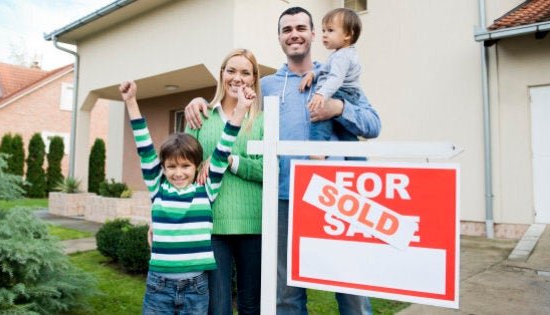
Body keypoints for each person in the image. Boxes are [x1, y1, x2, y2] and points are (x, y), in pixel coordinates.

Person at [185, 7, 381, 315]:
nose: (294, 34)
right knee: (285, 297)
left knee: (352, 290)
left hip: (334, 198)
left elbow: (373, 124)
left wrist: (338, 108)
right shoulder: (268, 87)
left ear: (314, 34)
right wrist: (198, 102)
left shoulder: (337, 76)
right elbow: (231, 99)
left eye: (301, 27)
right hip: (281, 201)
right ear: (279, 38)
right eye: (287, 29)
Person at [119, 78, 256, 314]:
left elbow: (224, 146)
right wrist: (131, 101)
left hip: (196, 288)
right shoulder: (158, 188)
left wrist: (241, 109)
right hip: (158, 287)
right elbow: (143, 145)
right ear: (162, 168)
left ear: (196, 167)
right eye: (171, 167)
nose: (178, 173)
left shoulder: (206, 189)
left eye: (185, 166)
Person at [185, 48, 264, 315]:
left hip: (253, 225)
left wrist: (229, 160)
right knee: (216, 308)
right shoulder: (200, 116)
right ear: (222, 74)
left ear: (254, 79)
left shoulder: (261, 121)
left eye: (245, 72)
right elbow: (183, 167)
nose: (237, 78)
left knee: (251, 306)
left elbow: (270, 169)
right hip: (211, 223)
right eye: (231, 70)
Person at [299, 8, 368, 160]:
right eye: (323, 30)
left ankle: (318, 150)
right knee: (345, 133)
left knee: (320, 116)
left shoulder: (341, 57)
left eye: (330, 30)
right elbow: (325, 70)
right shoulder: (341, 53)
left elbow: (335, 78)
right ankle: (358, 159)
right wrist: (312, 73)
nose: (324, 34)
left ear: (348, 34)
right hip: (347, 94)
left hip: (341, 92)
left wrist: (321, 93)